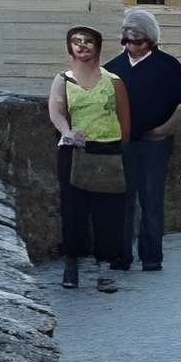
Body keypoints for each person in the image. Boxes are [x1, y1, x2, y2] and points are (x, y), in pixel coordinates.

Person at [114, 6, 181, 273]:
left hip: (155, 144)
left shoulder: (168, 65)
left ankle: (151, 256)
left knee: (151, 198)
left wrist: (165, 129)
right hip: (123, 142)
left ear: (150, 40)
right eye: (126, 40)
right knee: (121, 200)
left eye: (137, 41)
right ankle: (120, 256)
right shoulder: (113, 68)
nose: (131, 45)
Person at [46, 23, 129, 291]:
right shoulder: (63, 79)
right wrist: (67, 132)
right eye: (76, 41)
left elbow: (124, 119)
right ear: (69, 47)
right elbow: (56, 109)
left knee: (108, 212)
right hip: (75, 151)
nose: (82, 45)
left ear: (98, 47)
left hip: (107, 150)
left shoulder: (113, 81)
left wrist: (118, 146)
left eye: (88, 41)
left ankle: (104, 268)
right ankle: (72, 265)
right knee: (73, 211)